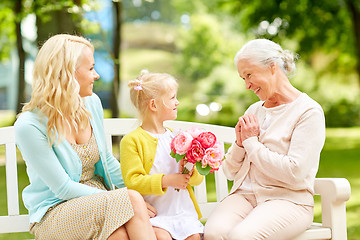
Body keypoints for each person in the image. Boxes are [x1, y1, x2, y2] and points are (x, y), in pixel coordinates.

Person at [14, 34, 156, 240]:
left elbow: (106, 160)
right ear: (66, 73)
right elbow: (62, 188)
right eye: (90, 68)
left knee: (119, 234)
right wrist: (128, 198)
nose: (96, 75)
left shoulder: (91, 103)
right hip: (55, 212)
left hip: (101, 203)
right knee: (130, 201)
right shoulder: (29, 126)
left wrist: (140, 185)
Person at [204, 39, 326, 240]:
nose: (247, 85)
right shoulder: (254, 110)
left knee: (241, 237)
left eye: (249, 75)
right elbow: (228, 171)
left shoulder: (308, 112)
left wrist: (251, 142)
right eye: (243, 78)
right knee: (214, 234)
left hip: (288, 200)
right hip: (244, 197)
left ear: (272, 67)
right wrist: (240, 144)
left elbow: (295, 172)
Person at [120, 71, 204, 240]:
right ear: (154, 105)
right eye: (172, 98)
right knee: (162, 237)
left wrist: (191, 170)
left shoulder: (178, 137)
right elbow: (133, 181)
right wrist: (167, 180)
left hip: (181, 212)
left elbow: (195, 180)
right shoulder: (132, 140)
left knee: (194, 237)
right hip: (155, 215)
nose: (177, 102)